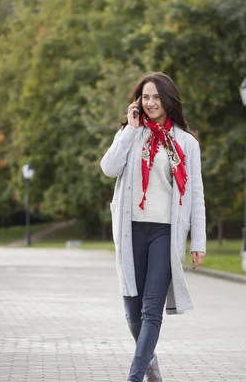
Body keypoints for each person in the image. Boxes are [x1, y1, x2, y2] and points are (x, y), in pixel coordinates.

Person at [100, 72, 206, 382]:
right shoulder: (131, 134)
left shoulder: (186, 143)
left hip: (164, 232)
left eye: (156, 97)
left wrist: (198, 240)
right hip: (131, 230)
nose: (150, 103)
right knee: (133, 312)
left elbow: (196, 194)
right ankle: (150, 364)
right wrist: (130, 131)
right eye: (145, 97)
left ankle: (135, 376)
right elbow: (108, 169)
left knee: (150, 311)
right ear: (138, 101)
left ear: (168, 100)